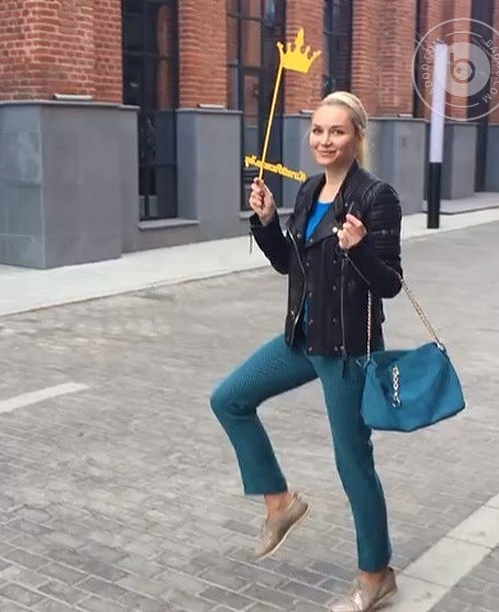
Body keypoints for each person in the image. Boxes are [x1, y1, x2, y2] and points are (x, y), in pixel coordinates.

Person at [210, 91, 403, 612]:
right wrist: (267, 221)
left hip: (347, 349)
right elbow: (288, 264)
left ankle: (376, 574)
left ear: (357, 136)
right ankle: (279, 503)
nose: (325, 140)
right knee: (229, 398)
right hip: (301, 336)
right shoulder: (310, 189)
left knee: (352, 462)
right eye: (318, 130)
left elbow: (390, 283)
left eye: (337, 131)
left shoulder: (376, 197)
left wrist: (358, 249)